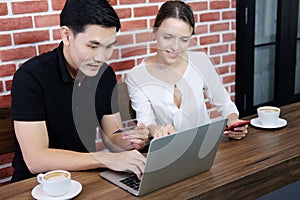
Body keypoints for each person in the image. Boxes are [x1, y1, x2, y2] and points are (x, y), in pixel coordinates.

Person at [10, 0, 149, 182]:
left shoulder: (105, 74)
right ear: (67, 35)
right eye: (93, 46)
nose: (101, 57)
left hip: (83, 179)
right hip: (35, 184)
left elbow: (112, 134)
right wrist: (105, 159)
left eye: (109, 46)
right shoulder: (31, 77)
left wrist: (131, 140)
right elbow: (36, 159)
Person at [125, 0, 248, 139]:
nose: (175, 47)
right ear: (154, 33)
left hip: (205, 145)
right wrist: (157, 130)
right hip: (167, 150)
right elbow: (146, 122)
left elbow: (225, 104)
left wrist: (233, 121)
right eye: (168, 37)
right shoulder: (136, 76)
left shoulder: (201, 61)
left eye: (184, 40)